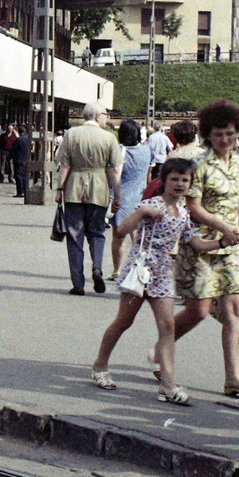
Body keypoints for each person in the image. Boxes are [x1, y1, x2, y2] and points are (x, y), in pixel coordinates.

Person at [91, 158, 222, 403]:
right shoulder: (151, 204)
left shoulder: (183, 213)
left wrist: (223, 242)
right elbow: (121, 231)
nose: (180, 184)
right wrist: (141, 211)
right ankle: (100, 365)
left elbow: (195, 243)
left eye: (185, 180)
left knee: (168, 327)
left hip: (162, 273)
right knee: (123, 321)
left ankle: (168, 385)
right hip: (140, 271)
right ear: (163, 181)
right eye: (174, 179)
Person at [170, 100, 239, 399]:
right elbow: (192, 206)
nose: (225, 140)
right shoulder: (199, 165)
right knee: (198, 310)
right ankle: (162, 345)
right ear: (208, 135)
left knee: (236, 308)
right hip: (202, 244)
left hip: (232, 245)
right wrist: (222, 227)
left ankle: (233, 377)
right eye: (219, 134)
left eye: (231, 134)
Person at [54, 102, 124, 295]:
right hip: (99, 187)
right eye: (105, 114)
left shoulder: (71, 134)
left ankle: (78, 283)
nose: (107, 118)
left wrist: (59, 189)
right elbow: (114, 170)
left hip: (74, 188)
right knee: (97, 232)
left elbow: (65, 165)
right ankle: (97, 267)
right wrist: (117, 196)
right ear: (96, 116)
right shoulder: (109, 138)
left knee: (75, 236)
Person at [109, 118, 153, 274]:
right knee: (138, 237)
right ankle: (139, 268)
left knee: (118, 237)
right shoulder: (147, 150)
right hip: (141, 196)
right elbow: (149, 173)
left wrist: (116, 197)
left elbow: (116, 176)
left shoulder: (120, 151)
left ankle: (117, 270)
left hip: (122, 197)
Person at [11, 122, 29, 198]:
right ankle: (25, 190)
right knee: (24, 176)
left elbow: (14, 148)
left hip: (18, 159)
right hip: (25, 159)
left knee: (18, 176)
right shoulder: (28, 138)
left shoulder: (19, 139)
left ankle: (20, 192)